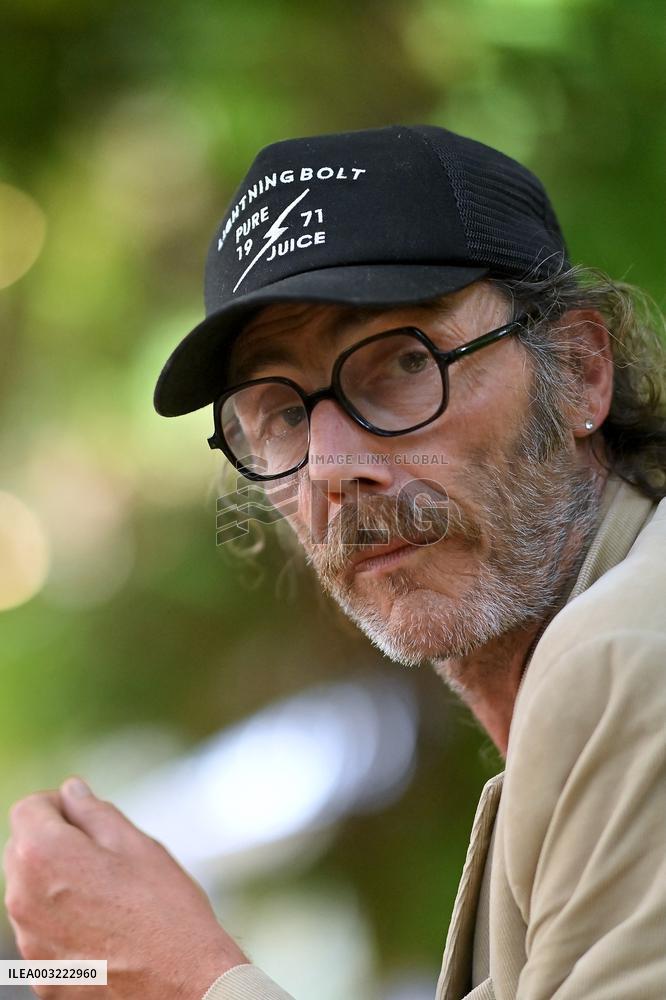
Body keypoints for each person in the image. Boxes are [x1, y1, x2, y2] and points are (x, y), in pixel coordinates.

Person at [4, 125, 666, 1000]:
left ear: (580, 371)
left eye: (404, 361)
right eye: (280, 414)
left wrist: (182, 978)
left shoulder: (628, 655)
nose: (330, 468)